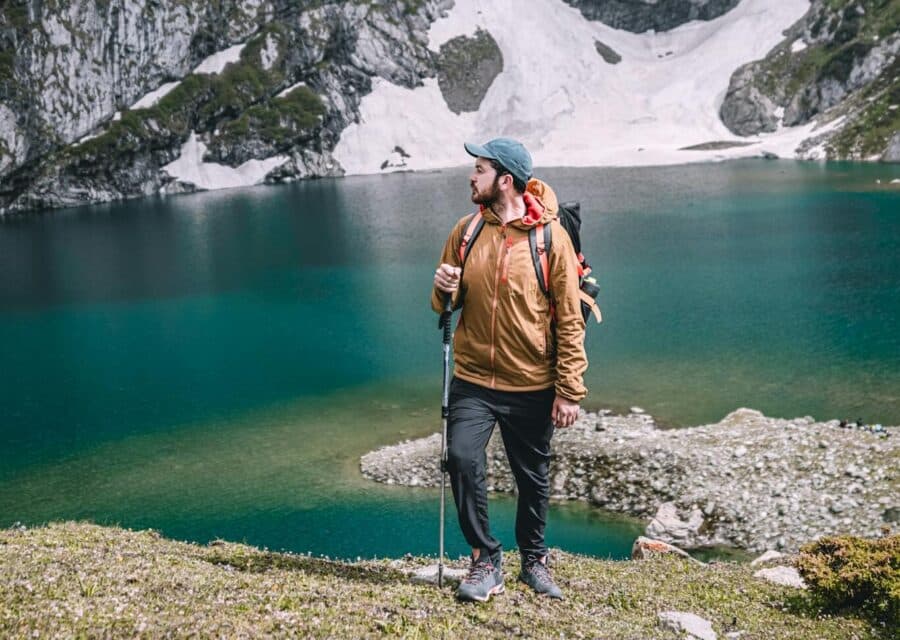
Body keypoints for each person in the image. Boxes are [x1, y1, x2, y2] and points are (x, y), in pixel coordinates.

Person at [431, 137, 588, 602]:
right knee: (461, 457)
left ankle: (534, 560)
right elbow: (442, 304)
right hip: (474, 380)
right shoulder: (466, 231)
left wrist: (569, 389)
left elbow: (569, 316)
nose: (470, 177)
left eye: (479, 169)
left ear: (505, 180)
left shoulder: (549, 238)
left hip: (532, 383)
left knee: (532, 476)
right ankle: (485, 560)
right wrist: (442, 288)